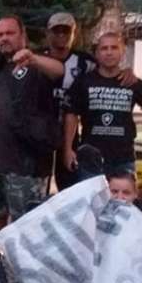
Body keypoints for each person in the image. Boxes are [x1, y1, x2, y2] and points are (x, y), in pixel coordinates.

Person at [0, 15, 65, 276]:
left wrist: (32, 58)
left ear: (22, 34)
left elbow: (59, 71)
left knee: (28, 221)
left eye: (10, 33)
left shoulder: (38, 63)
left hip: (23, 162)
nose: (4, 38)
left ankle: (29, 271)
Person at [62, 32, 142, 180]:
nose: (109, 52)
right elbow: (71, 115)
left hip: (123, 160)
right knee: (92, 203)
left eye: (114, 48)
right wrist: (67, 149)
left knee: (122, 203)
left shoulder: (132, 82)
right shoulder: (84, 82)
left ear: (122, 51)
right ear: (96, 53)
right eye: (104, 48)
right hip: (90, 160)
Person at [43, 12, 97, 191]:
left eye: (65, 31)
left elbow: (108, 74)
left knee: (69, 187)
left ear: (74, 33)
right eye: (56, 31)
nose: (61, 35)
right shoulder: (37, 59)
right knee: (37, 189)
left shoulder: (86, 62)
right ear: (47, 33)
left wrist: (126, 73)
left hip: (71, 134)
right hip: (39, 132)